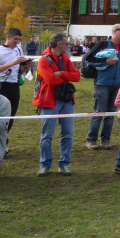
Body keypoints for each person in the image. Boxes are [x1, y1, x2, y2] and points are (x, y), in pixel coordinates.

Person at [34, 33, 80, 177]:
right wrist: (65, 76)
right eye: (66, 43)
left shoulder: (66, 59)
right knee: (47, 136)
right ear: (59, 44)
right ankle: (45, 165)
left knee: (67, 134)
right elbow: (50, 80)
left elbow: (77, 76)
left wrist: (60, 73)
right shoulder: (43, 60)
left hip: (67, 101)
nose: (68, 46)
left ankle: (64, 164)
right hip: (49, 102)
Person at [86, 24, 120, 151]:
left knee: (111, 113)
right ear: (114, 31)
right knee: (98, 112)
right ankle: (91, 140)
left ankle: (105, 140)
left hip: (118, 85)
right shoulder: (102, 44)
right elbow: (88, 59)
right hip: (102, 84)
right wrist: (105, 62)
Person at [0, 27, 32, 135]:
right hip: (1, 85)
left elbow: (19, 70)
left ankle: (3, 139)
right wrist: (12, 63)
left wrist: (25, 66)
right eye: (15, 39)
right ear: (8, 37)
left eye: (19, 39)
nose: (17, 42)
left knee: (11, 116)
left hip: (14, 86)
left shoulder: (19, 50)